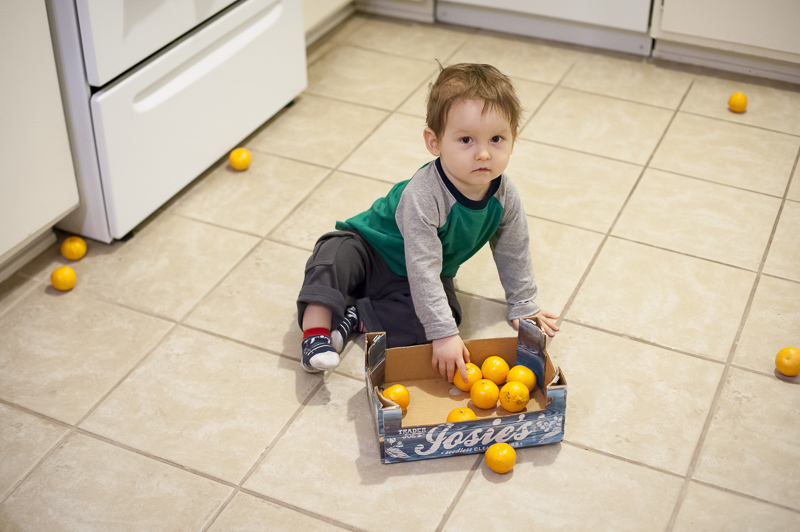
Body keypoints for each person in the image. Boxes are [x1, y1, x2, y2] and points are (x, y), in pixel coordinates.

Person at [296, 62, 559, 382]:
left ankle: (356, 318)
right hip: (370, 252)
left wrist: (523, 304)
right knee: (332, 255)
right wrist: (443, 334)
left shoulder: (505, 196)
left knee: (445, 319)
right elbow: (421, 265)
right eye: (466, 140)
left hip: (420, 275)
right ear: (434, 142)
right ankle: (317, 333)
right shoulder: (424, 194)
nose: (484, 154)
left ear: (513, 139)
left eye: (496, 139)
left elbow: (513, 249)